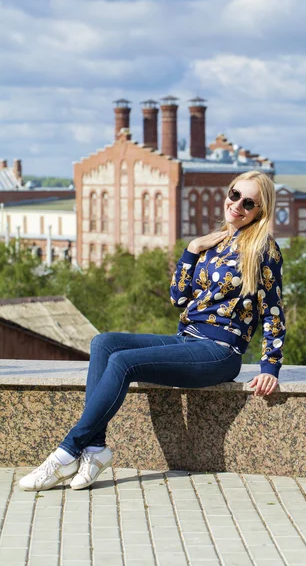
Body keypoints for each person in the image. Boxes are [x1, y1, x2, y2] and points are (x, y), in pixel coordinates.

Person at [19, 169, 286, 492]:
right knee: (104, 343)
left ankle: (65, 453)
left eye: (249, 203)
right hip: (187, 338)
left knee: (123, 362)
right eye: (235, 195)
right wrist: (192, 249)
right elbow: (178, 297)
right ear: (228, 193)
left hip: (220, 352)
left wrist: (270, 367)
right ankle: (95, 449)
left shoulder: (263, 250)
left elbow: (272, 311)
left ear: (261, 211)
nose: (238, 206)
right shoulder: (213, 243)